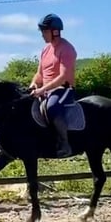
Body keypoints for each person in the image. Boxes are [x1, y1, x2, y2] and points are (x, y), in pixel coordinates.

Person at [28, 13, 77, 157]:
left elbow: (63, 77)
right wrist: (33, 85)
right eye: (42, 32)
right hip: (46, 90)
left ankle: (65, 144)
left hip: (64, 89)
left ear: (55, 32)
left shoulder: (66, 49)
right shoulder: (45, 50)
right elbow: (40, 74)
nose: (42, 35)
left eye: (45, 31)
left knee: (52, 107)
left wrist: (42, 89)